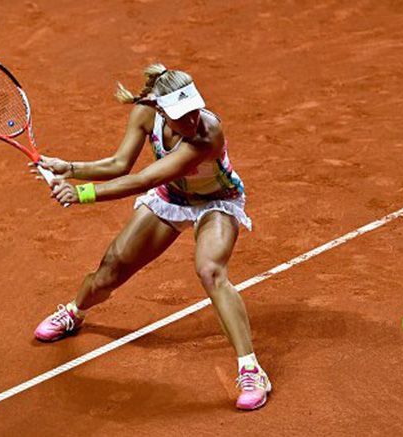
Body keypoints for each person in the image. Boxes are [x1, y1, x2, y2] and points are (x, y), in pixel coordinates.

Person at [30, 63, 271, 410]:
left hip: (216, 202)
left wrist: (82, 193)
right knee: (110, 269)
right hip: (171, 199)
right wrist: (69, 167)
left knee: (210, 270)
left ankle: (251, 370)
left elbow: (144, 179)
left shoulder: (208, 133)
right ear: (159, 109)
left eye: (193, 111)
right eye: (180, 116)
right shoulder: (145, 114)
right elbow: (119, 165)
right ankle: (74, 312)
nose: (191, 121)